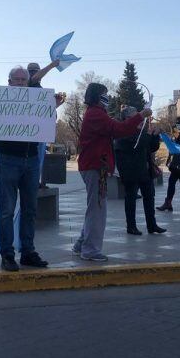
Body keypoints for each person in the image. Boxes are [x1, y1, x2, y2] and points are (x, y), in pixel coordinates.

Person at [0, 66, 50, 272]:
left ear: (27, 82)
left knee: (30, 209)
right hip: (8, 160)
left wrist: (54, 107)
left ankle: (28, 252)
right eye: (16, 79)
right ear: (8, 82)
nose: (19, 83)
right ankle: (7, 255)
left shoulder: (35, 100)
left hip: (32, 160)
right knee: (7, 210)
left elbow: (44, 124)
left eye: (23, 80)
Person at [74, 83, 152, 261]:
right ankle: (90, 250)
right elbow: (119, 130)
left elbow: (117, 129)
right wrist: (140, 116)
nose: (107, 97)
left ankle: (81, 244)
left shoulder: (95, 114)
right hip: (95, 166)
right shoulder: (95, 114)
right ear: (96, 96)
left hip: (94, 165)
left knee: (94, 207)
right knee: (97, 209)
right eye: (104, 94)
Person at [114, 106, 166, 235]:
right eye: (136, 115)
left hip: (145, 170)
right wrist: (148, 134)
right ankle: (131, 226)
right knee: (131, 198)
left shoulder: (140, 131)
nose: (139, 117)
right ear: (127, 118)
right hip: (130, 171)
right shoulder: (122, 132)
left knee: (149, 197)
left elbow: (151, 147)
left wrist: (154, 136)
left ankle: (152, 224)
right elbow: (137, 144)